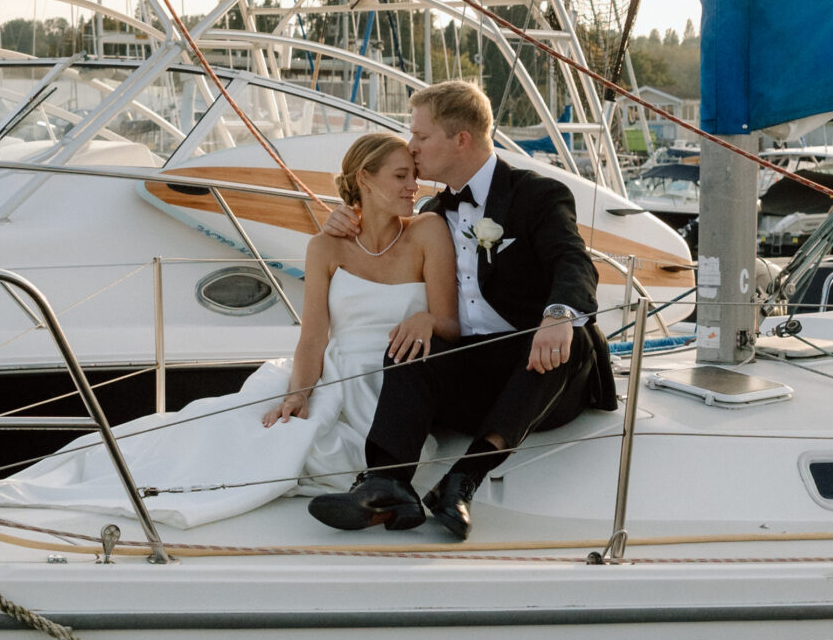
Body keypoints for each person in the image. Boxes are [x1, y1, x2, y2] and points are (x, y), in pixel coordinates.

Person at [308, 79, 615, 542]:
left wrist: (557, 315)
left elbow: (572, 260)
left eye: (421, 136)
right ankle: (386, 483)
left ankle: (461, 482)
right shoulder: (431, 213)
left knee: (574, 338)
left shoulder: (536, 194)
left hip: (538, 372)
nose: (411, 148)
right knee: (409, 345)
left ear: (461, 140)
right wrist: (342, 214)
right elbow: (375, 226)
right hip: (471, 370)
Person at [263, 133, 459, 497]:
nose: (414, 187)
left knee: (355, 457)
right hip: (335, 375)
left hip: (400, 379)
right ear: (364, 179)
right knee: (271, 434)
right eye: (401, 176)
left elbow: (451, 323)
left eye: (414, 176)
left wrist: (427, 320)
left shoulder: (428, 230)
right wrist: (300, 393)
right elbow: (314, 336)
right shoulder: (324, 247)